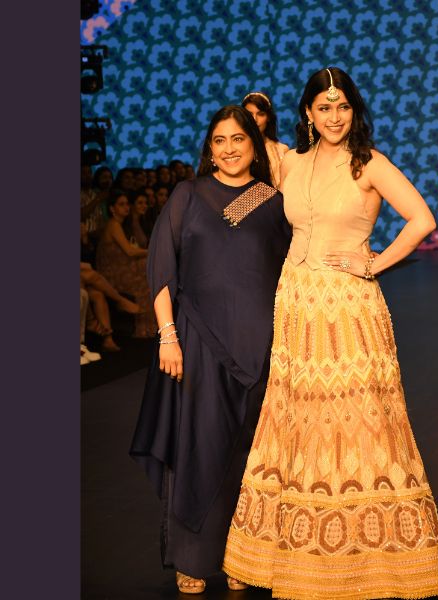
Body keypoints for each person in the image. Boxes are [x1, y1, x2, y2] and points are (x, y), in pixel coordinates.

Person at [222, 67, 438, 600]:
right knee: (295, 419)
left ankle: (372, 562)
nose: (333, 116)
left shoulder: (368, 163)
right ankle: (281, 556)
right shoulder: (290, 163)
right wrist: (202, 214)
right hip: (296, 303)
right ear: (307, 112)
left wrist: (374, 263)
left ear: (354, 110)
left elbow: (422, 219)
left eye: (342, 106)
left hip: (348, 307)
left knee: (360, 420)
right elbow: (239, 205)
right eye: (323, 107)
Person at [129, 105, 291, 595]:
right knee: (198, 448)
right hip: (197, 342)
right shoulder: (189, 194)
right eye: (220, 140)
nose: (229, 148)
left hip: (260, 348)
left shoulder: (271, 201)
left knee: (249, 454)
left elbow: (291, 271)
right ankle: (194, 560)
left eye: (238, 138)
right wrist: (168, 335)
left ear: (254, 145)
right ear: (209, 149)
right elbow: (162, 267)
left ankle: (242, 557)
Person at [95, 190, 156, 338]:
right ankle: (144, 327)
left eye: (127, 204)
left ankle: (151, 325)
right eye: (121, 204)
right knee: (146, 275)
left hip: (121, 267)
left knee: (147, 268)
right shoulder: (113, 225)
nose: (126, 207)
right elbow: (129, 251)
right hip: (112, 272)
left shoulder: (120, 225)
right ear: (112, 208)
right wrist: (154, 251)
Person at [242, 91, 290, 188]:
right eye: (249, 114)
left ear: (268, 117)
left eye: (260, 114)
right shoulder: (235, 149)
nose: (254, 119)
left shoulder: (281, 150)